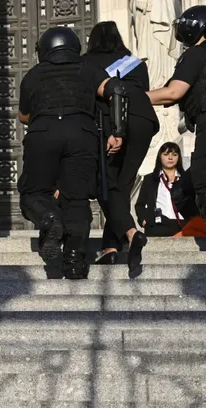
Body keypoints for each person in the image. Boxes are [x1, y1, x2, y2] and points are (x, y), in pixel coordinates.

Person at [17, 26, 126, 279]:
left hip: (43, 133)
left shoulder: (33, 75)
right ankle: (75, 262)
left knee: (33, 193)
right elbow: (117, 90)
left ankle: (48, 217)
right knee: (76, 200)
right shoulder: (88, 68)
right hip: (81, 133)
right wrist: (118, 132)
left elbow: (23, 116)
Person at [82, 22, 157, 269]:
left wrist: (116, 131)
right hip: (144, 121)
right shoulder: (137, 64)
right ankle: (111, 248)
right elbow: (143, 93)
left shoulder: (87, 63)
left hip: (110, 125)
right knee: (121, 185)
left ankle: (131, 233)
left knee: (105, 183)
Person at [147, 6, 206, 225]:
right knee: (184, 188)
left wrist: (133, 97)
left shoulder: (196, 54)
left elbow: (173, 92)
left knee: (197, 188)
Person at [135, 142, 198, 235]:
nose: (170, 158)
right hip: (158, 225)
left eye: (174, 154)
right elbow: (140, 204)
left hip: (183, 225)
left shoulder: (187, 179)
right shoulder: (150, 179)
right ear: (160, 157)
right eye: (166, 154)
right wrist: (144, 220)